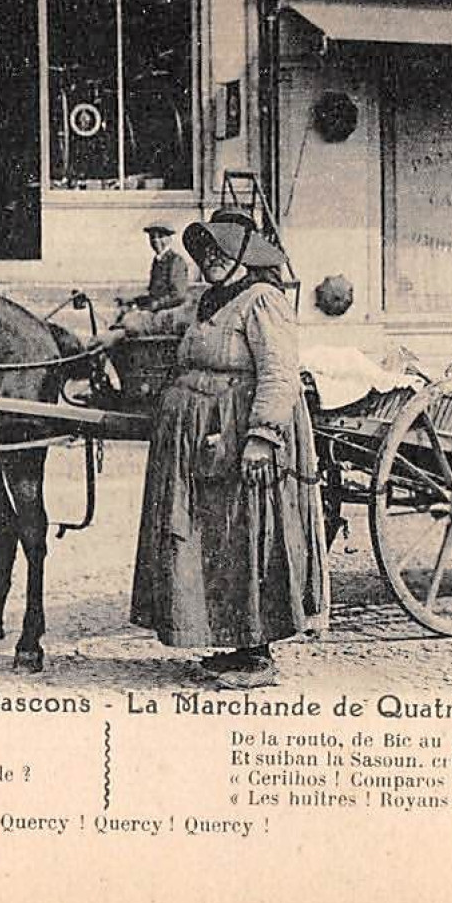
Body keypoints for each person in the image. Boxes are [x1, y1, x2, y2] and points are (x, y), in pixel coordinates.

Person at [94, 214, 326, 687]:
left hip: (238, 433)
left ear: (244, 256)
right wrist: (121, 331)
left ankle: (258, 654)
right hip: (198, 439)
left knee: (245, 535)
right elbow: (165, 318)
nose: (211, 259)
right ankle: (232, 642)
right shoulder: (206, 300)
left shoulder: (264, 302)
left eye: (221, 251)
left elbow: (280, 374)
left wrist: (261, 437)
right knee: (211, 541)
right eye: (206, 252)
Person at [126, 221, 190, 313]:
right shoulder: (157, 261)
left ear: (169, 239)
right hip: (158, 310)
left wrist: (156, 304)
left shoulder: (175, 261)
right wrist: (136, 301)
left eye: (160, 236)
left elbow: (179, 294)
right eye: (152, 237)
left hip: (170, 313)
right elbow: (154, 293)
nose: (156, 241)